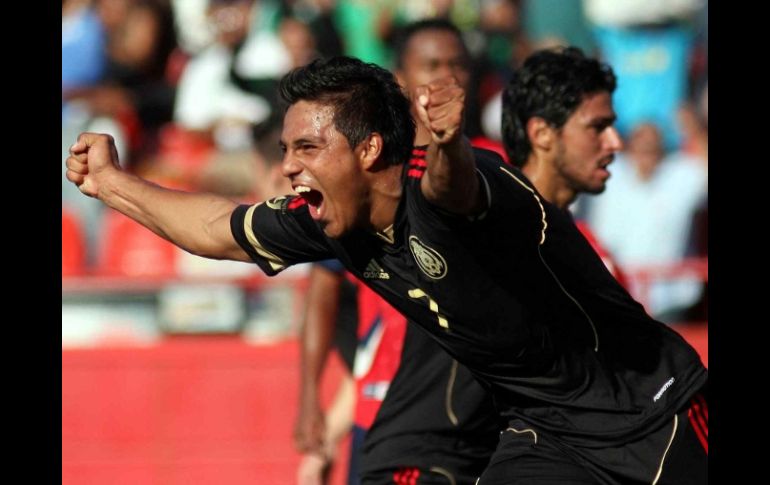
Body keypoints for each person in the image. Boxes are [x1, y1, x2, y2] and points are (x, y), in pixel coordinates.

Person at [66, 55, 707, 484]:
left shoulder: (453, 181)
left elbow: (459, 193)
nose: (289, 167)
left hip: (656, 415)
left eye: (308, 148)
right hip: (545, 434)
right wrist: (112, 183)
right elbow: (217, 231)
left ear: (370, 149)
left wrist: (450, 142)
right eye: (288, 150)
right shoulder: (329, 221)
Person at [295, 19, 501, 485]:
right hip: (381, 402)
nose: (448, 77)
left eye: (458, 65)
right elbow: (324, 288)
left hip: (473, 413)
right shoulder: (369, 173)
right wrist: (310, 396)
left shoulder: (493, 165)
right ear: (401, 78)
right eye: (432, 65)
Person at [500, 46, 628, 286]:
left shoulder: (595, 256)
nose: (615, 143)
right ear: (542, 134)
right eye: (598, 127)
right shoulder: (487, 241)